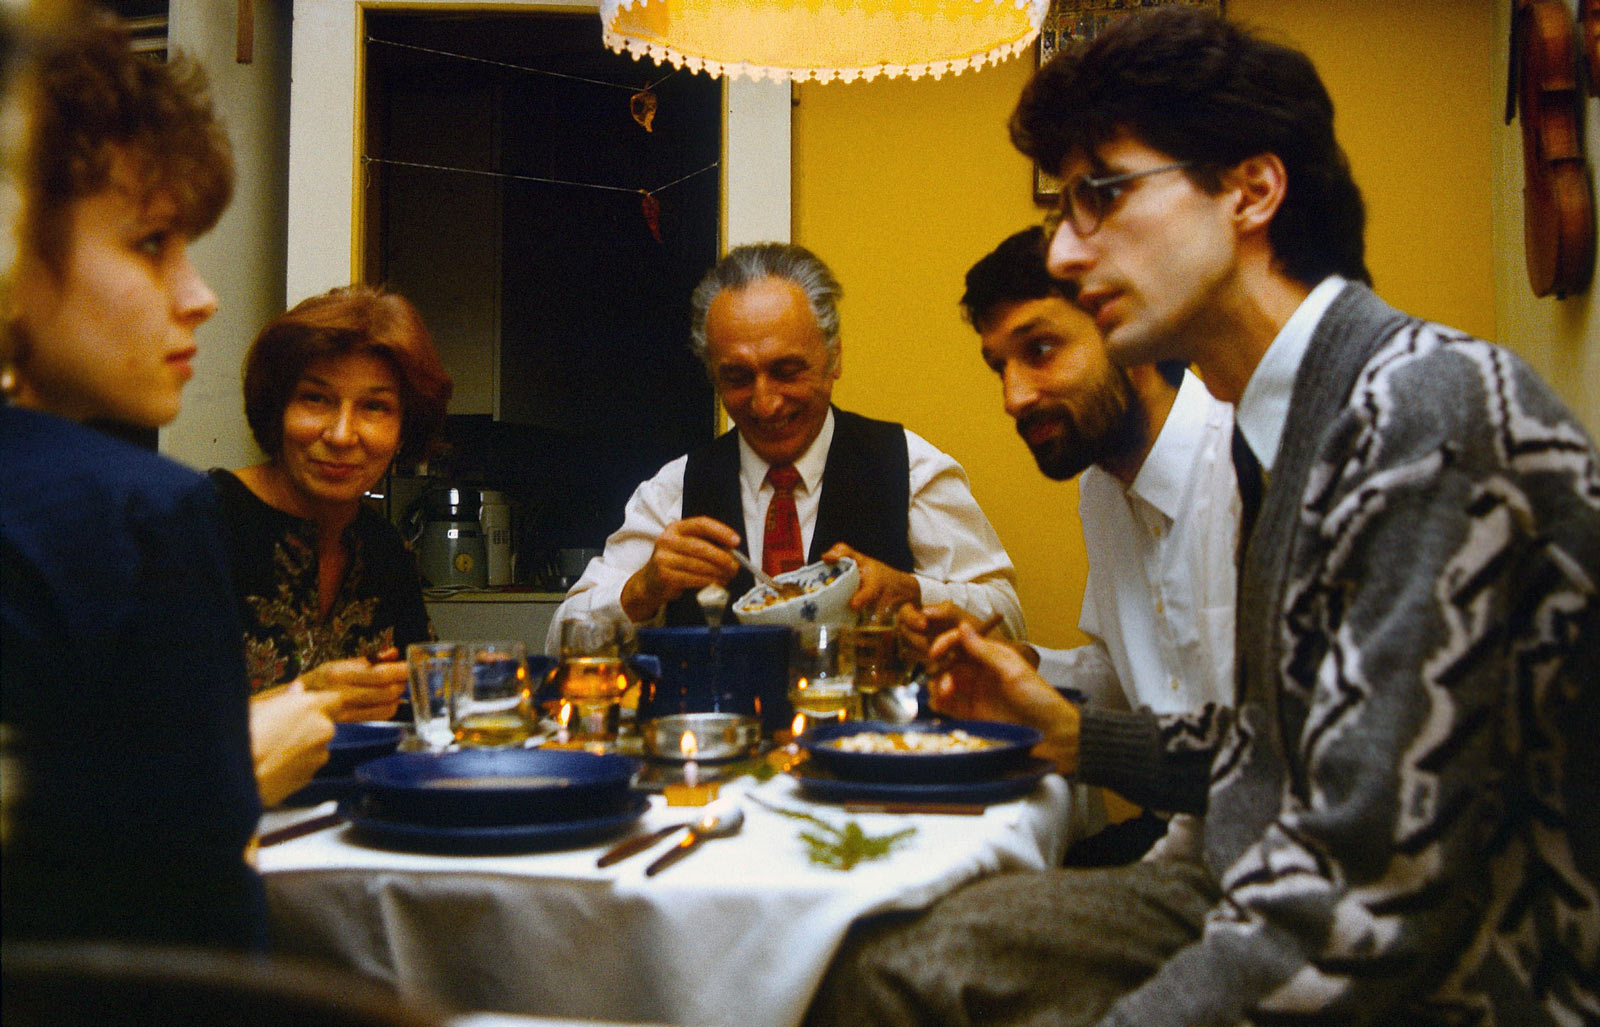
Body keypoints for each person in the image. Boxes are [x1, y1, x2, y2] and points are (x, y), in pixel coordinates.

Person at [808, 9, 1599, 1027]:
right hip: (1236, 866)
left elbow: (1369, 898)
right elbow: (1274, 758)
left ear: (1251, 190)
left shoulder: (1423, 411)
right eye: (1062, 207)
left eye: (1099, 195)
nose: (1064, 251)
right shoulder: (1273, 429)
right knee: (878, 960)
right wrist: (1070, 729)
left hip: (1475, 971)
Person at [0, 14, 300, 949]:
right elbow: (194, 937)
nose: (200, 295)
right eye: (152, 242)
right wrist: (240, 770)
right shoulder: (142, 511)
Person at [908, 224, 1238, 865]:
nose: (1014, 398)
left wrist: (1079, 737)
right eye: (1000, 368)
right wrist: (1015, 665)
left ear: (1134, 336)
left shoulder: (1250, 464)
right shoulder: (1102, 486)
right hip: (1178, 838)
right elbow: (1131, 680)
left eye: (1041, 349)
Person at [548, 241, 1023, 642]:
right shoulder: (673, 490)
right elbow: (560, 637)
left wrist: (915, 592)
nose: (766, 404)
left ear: (834, 359)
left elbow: (1009, 621)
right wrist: (640, 592)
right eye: (737, 377)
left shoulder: (913, 470)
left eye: (787, 371)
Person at [210, 284, 451, 721]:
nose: (341, 435)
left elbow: (423, 713)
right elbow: (130, 734)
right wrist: (302, 698)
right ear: (277, 409)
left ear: (404, 429)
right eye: (316, 399)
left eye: (374, 407)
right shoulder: (196, 522)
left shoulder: (386, 552)